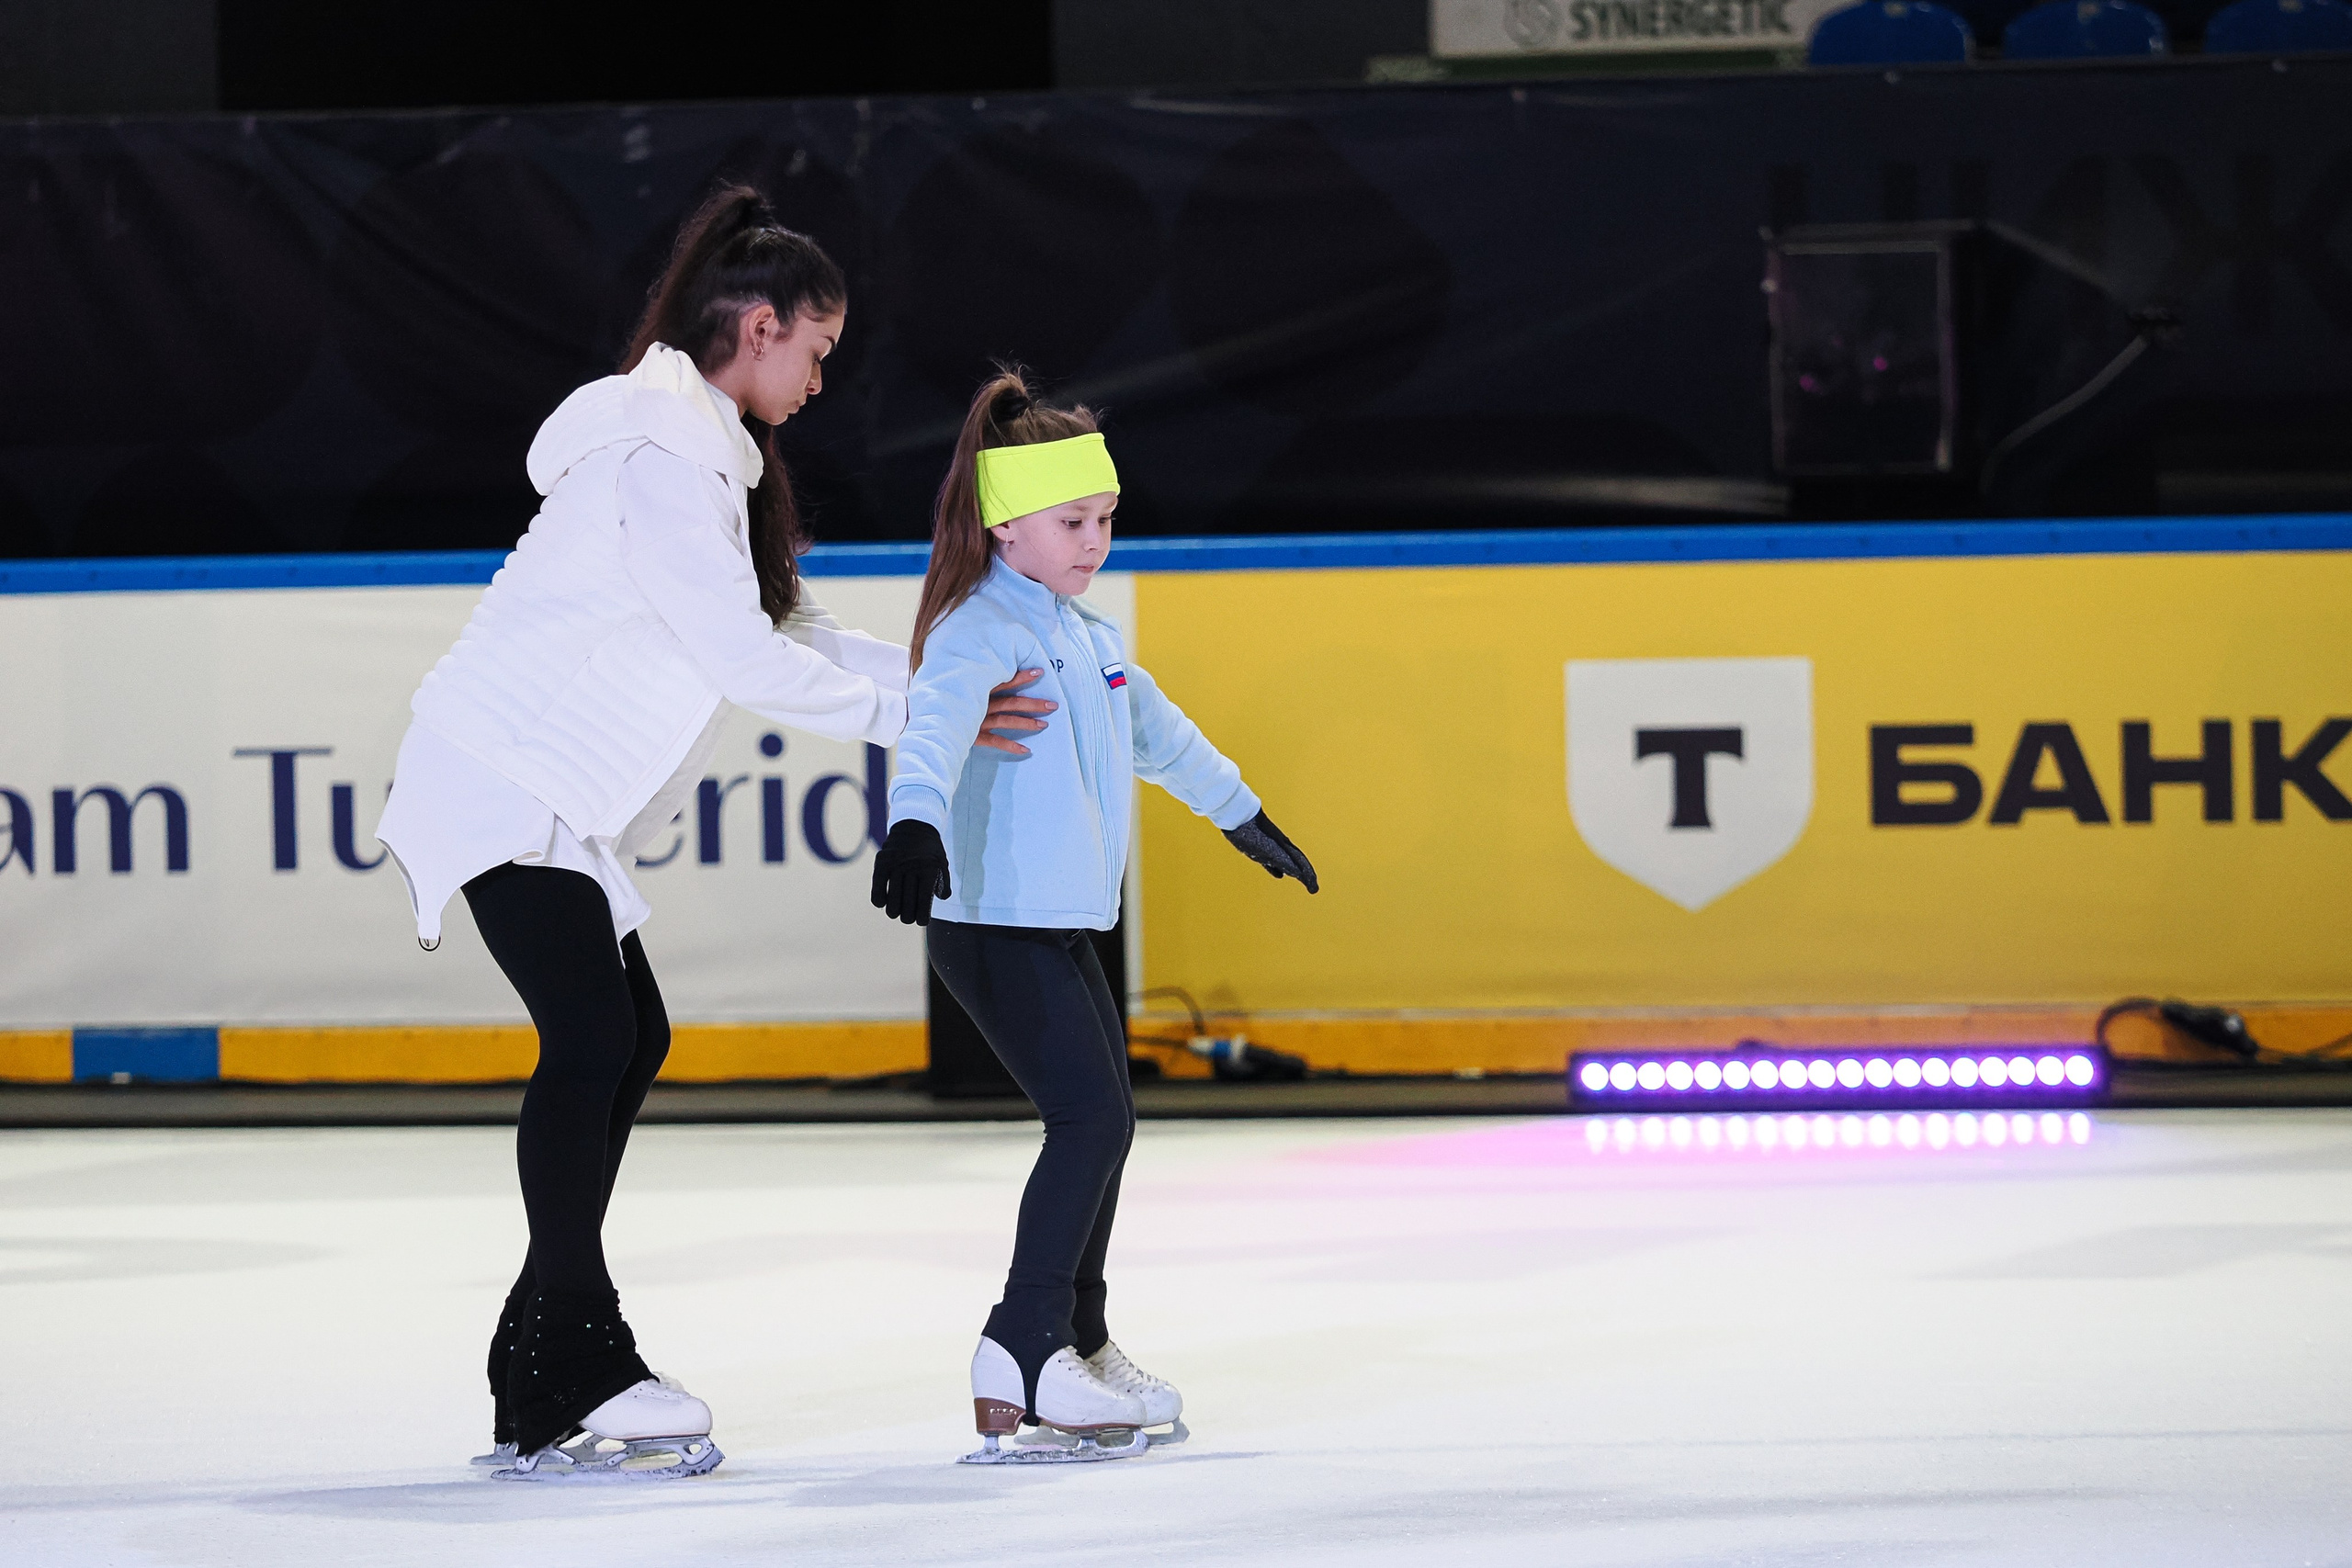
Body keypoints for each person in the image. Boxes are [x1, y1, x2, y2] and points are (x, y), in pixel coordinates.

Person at [372, 186, 1055, 1480]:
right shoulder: (657, 459)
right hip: (495, 772)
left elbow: (787, 631)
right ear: (757, 324)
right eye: (815, 350)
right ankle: (576, 1351)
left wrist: (942, 686)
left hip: (540, 793)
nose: (819, 377)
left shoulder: (706, 457)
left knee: (629, 1032)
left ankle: (537, 1360)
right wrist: (924, 725)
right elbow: (748, 661)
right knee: (595, 1034)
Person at [869, 368, 1317, 1464]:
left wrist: (1243, 814)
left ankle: (1079, 1338)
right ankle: (1022, 1348)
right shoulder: (979, 631)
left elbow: (1161, 735)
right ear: (1007, 522)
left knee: (1105, 1124)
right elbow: (930, 732)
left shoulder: (1088, 634)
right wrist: (913, 825)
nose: (1094, 540)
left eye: (1106, 519)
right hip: (990, 919)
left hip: (1062, 917)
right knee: (1092, 1122)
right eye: (1074, 521)